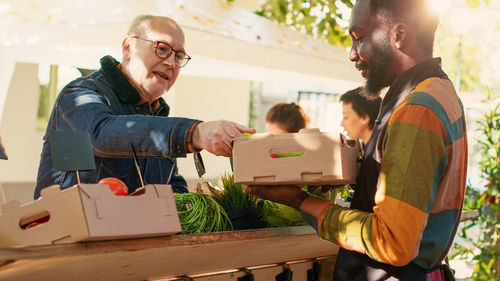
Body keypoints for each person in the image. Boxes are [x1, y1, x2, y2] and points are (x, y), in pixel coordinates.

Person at [246, 0, 467, 280]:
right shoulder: (440, 90)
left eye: (360, 39)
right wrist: (352, 175)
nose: (352, 54)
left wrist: (299, 200)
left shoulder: (417, 109)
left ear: (398, 36)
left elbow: (393, 243)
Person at [35, 15, 255, 199]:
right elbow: (100, 134)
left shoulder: (156, 114)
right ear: (128, 47)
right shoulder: (80, 94)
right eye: (162, 48)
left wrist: (202, 206)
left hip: (132, 245)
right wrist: (195, 132)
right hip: (68, 243)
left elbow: (172, 185)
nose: (170, 62)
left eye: (178, 56)